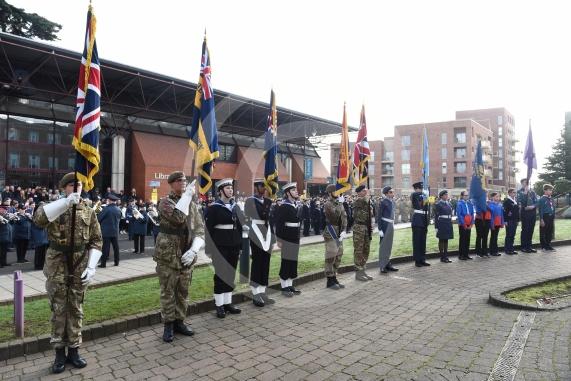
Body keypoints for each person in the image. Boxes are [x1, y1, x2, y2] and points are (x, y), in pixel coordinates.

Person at [33, 172, 102, 373]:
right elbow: (39, 219)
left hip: (79, 264)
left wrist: (91, 266)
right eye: (72, 185)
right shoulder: (52, 206)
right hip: (57, 265)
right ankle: (59, 354)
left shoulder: (88, 210)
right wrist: (65, 203)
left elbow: (96, 239)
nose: (76, 188)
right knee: (58, 309)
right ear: (64, 188)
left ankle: (74, 350)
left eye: (79, 185)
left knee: (76, 307)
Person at [154, 172, 205, 342]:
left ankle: (179, 322)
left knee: (183, 291)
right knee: (168, 291)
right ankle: (168, 325)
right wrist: (188, 196)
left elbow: (199, 229)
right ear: (171, 184)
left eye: (184, 180)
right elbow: (178, 217)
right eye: (178, 180)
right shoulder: (164, 202)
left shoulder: (192, 203)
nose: (183, 182)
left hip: (186, 254)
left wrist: (194, 250)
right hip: (168, 256)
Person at [205, 178, 244, 318]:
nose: (230, 190)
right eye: (227, 188)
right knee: (221, 275)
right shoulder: (214, 208)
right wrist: (209, 250)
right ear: (221, 191)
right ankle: (219, 305)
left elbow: (239, 228)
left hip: (233, 245)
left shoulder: (236, 207)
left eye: (231, 188)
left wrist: (240, 246)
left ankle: (228, 303)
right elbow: (208, 230)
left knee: (230, 274)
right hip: (220, 246)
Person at [245, 179, 276, 307]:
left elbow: (270, 220)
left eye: (265, 186)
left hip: (267, 233)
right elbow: (253, 215)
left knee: (265, 262)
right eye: (262, 186)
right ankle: (255, 293)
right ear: (256, 187)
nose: (265, 188)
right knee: (257, 263)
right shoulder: (250, 201)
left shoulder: (268, 201)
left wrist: (273, 238)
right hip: (255, 232)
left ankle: (263, 292)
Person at [275, 182, 303, 296]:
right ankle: (284, 287)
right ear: (287, 193)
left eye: (296, 190)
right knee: (286, 261)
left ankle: (290, 285)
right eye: (293, 190)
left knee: (293, 261)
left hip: (295, 236)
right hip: (286, 237)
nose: (296, 191)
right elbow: (279, 223)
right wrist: (279, 239)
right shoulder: (284, 206)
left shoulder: (297, 204)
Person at [323, 184, 348, 289]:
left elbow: (344, 216)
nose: (338, 193)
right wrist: (340, 203)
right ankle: (330, 280)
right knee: (331, 256)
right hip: (331, 232)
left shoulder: (339, 202)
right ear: (330, 193)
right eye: (335, 192)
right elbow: (334, 216)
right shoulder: (328, 204)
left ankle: (334, 276)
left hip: (339, 232)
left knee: (338, 255)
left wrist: (344, 229)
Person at [351, 185, 373, 281]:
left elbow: (370, 214)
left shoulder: (366, 201)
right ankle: (358, 273)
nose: (365, 192)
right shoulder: (358, 201)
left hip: (366, 227)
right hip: (359, 227)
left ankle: (363, 270)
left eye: (366, 191)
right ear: (358, 192)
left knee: (366, 249)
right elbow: (364, 201)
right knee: (358, 250)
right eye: (363, 191)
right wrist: (367, 197)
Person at [378, 186, 398, 273]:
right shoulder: (383, 202)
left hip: (390, 224)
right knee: (383, 247)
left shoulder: (393, 202)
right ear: (386, 194)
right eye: (390, 192)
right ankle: (382, 266)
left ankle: (388, 264)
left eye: (392, 192)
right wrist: (380, 229)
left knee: (389, 246)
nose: (392, 193)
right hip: (384, 225)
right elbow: (379, 216)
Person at [97, 194, 122, 267]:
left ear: (110, 200)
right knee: (116, 247)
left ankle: (103, 263)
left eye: (108, 200)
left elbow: (99, 218)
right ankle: (116, 262)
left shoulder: (106, 209)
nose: (107, 201)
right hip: (115, 231)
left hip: (106, 231)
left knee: (105, 248)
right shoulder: (118, 209)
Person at [411, 182, 430, 267]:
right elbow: (415, 195)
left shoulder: (423, 196)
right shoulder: (414, 195)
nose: (422, 190)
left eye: (422, 189)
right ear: (416, 189)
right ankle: (417, 260)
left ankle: (422, 259)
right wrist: (424, 192)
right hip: (417, 220)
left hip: (423, 220)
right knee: (417, 241)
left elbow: (427, 206)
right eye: (421, 188)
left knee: (423, 241)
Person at [517, 178, 537, 253]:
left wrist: (533, 206)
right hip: (525, 212)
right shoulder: (519, 192)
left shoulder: (532, 192)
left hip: (532, 212)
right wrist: (525, 193)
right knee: (525, 229)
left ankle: (529, 246)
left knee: (531, 229)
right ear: (522, 183)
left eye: (527, 183)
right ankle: (523, 247)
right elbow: (521, 201)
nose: (526, 184)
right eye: (525, 183)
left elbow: (536, 201)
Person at [434, 190, 453, 263]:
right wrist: (436, 227)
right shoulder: (438, 204)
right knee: (442, 240)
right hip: (442, 223)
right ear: (441, 196)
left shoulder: (448, 204)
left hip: (448, 223)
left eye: (447, 195)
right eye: (445, 195)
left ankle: (446, 256)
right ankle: (442, 257)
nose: (446, 196)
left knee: (446, 240)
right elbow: (436, 216)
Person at [456, 190, 474, 260]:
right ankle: (461, 255)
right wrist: (464, 224)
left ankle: (466, 254)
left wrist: (472, 223)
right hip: (463, 224)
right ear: (462, 196)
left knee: (467, 239)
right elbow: (459, 215)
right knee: (462, 239)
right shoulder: (459, 204)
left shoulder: (470, 204)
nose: (467, 197)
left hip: (469, 224)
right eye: (465, 195)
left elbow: (472, 214)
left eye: (467, 195)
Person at [538, 184, 556, 251]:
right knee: (543, 232)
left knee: (550, 231)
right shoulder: (542, 199)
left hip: (551, 217)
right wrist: (541, 219)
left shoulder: (551, 199)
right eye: (549, 190)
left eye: (551, 190)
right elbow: (541, 210)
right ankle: (543, 246)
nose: (551, 191)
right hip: (545, 216)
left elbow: (553, 207)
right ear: (545, 190)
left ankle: (548, 245)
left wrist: (554, 215)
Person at [31, 202, 48, 270]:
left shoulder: (39, 215)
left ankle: (41, 264)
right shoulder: (36, 215)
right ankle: (38, 265)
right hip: (38, 235)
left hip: (42, 234)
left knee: (42, 251)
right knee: (39, 251)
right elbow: (39, 225)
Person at [503, 188, 519, 255]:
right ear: (509, 193)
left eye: (515, 192)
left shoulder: (515, 200)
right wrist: (505, 221)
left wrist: (518, 219)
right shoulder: (507, 201)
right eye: (513, 192)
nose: (514, 194)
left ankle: (511, 249)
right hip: (509, 220)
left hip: (514, 220)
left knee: (513, 235)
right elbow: (505, 212)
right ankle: (507, 249)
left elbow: (517, 211)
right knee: (509, 235)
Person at [488, 192, 504, 256]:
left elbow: (502, 214)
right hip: (493, 223)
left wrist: (502, 223)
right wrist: (492, 224)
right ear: (492, 197)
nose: (498, 198)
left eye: (498, 196)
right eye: (496, 196)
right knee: (493, 237)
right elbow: (491, 214)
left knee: (495, 237)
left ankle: (495, 250)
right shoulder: (490, 204)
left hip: (498, 223)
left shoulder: (500, 205)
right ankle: (492, 251)